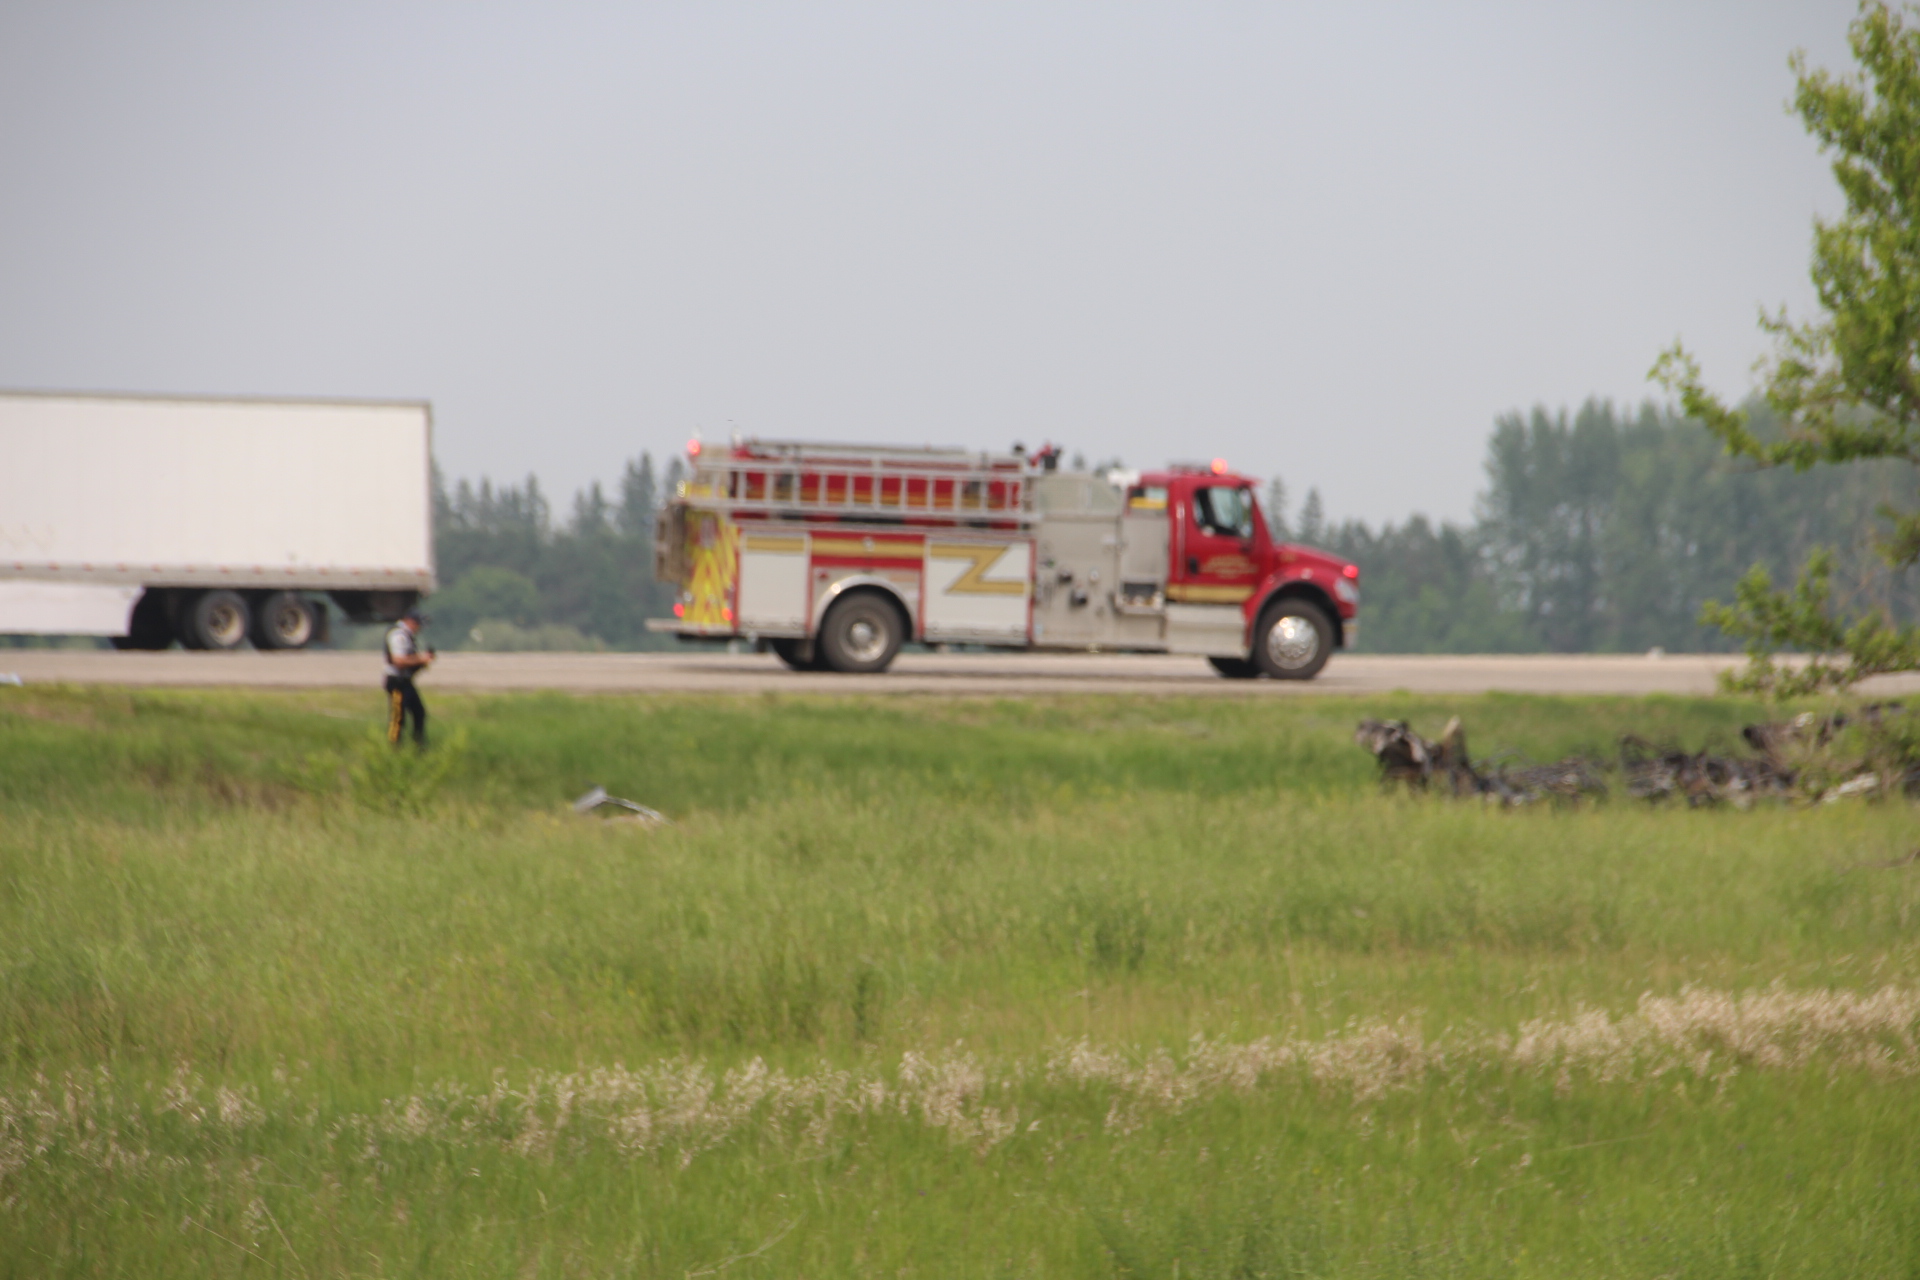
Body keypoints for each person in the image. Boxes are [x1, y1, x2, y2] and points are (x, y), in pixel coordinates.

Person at [383, 608, 435, 747]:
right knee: (398, 718)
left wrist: (421, 661)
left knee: (419, 712)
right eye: (418, 624)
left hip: (406, 681)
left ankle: (419, 745)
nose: (419, 628)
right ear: (410, 622)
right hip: (397, 682)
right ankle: (394, 747)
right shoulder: (398, 635)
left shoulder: (407, 636)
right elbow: (399, 661)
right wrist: (421, 660)